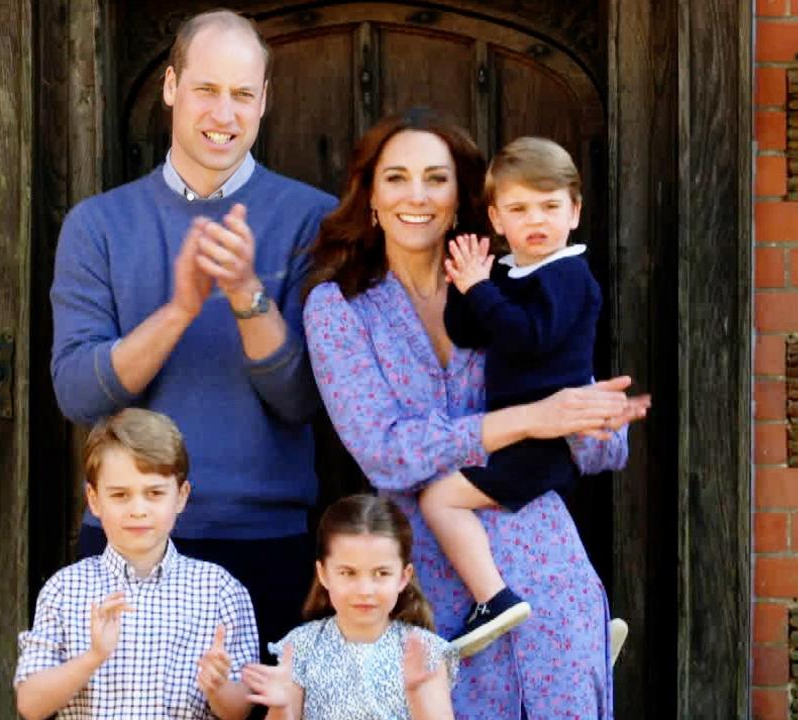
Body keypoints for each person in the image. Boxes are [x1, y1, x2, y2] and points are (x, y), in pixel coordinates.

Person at [301, 109, 649, 719]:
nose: (417, 196)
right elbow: (385, 449)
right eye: (396, 178)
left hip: (546, 569)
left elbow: (597, 447)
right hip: (426, 585)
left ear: (461, 197)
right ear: (371, 197)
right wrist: (530, 420)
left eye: (435, 179)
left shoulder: (512, 283)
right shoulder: (339, 308)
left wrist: (597, 418)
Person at [49, 8, 336, 656]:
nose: (223, 114)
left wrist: (244, 294)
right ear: (171, 86)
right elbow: (78, 396)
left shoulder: (313, 221)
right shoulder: (97, 225)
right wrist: (178, 309)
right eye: (206, 89)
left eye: (241, 95)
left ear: (264, 100)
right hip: (127, 542)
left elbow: (301, 401)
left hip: (266, 544)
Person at [418, 137, 602, 657]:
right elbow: (469, 331)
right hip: (518, 435)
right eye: (519, 209)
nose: (536, 220)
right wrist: (466, 282)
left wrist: (482, 288)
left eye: (549, 206)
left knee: (439, 498)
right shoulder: (511, 273)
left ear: (575, 211)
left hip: (542, 443)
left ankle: (493, 599)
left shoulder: (568, 275)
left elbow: (527, 337)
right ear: (497, 219)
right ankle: (578, 628)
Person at [14, 408, 257, 720]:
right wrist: (93, 657)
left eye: (154, 493)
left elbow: (239, 711)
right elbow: (30, 705)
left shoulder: (219, 590)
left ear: (181, 496)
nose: (138, 509)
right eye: (120, 495)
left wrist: (218, 687)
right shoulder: (64, 589)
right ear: (94, 499)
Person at [242, 494, 456, 720]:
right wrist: (281, 707)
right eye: (348, 573)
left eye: (381, 573)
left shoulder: (425, 651)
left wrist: (417, 695)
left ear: (404, 577)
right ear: (323, 573)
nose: (365, 589)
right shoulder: (300, 646)